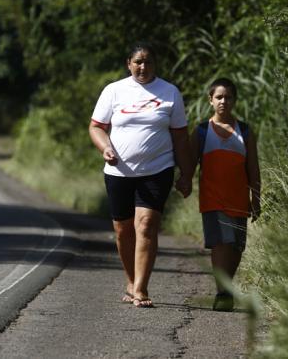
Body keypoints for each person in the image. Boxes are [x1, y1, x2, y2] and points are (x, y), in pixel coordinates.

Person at [89, 42, 194, 308]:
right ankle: (130, 279)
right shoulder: (114, 91)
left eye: (148, 62)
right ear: (129, 64)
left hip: (157, 169)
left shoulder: (170, 93)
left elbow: (180, 137)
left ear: (155, 64)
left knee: (146, 225)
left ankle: (141, 289)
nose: (143, 67)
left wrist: (186, 173)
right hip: (118, 171)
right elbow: (96, 127)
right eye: (138, 62)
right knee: (123, 230)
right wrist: (106, 147)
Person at [190, 77, 261, 311]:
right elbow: (190, 164)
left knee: (236, 247)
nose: (223, 101)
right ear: (210, 100)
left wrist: (256, 199)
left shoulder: (245, 131)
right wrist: (183, 181)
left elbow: (253, 168)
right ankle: (223, 293)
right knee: (221, 244)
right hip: (212, 199)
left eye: (228, 97)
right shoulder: (201, 131)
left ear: (234, 100)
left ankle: (226, 287)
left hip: (238, 199)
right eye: (219, 97)